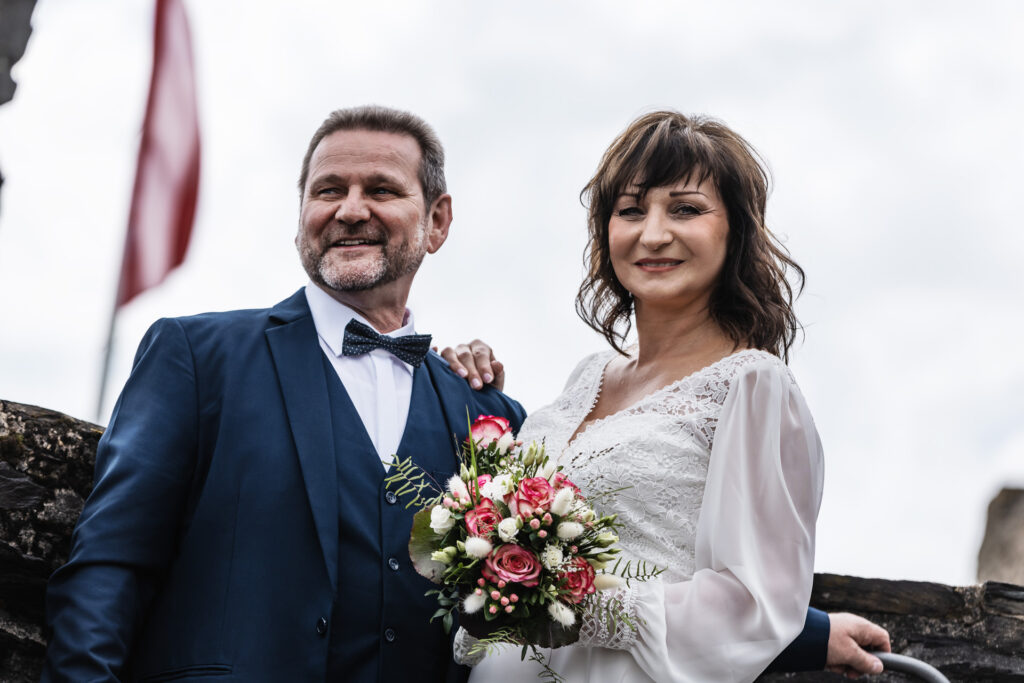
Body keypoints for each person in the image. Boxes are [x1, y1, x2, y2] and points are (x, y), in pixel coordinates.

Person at [42, 106, 528, 682]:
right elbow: (109, 565)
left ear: (437, 221)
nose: (350, 210)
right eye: (328, 190)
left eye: (381, 189)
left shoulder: (487, 414)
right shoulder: (196, 356)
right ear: (301, 217)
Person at [443, 111, 890, 681]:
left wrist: (569, 602)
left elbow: (756, 606)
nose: (652, 234)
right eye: (631, 210)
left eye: (685, 209)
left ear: (736, 231)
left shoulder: (752, 384)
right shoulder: (587, 376)